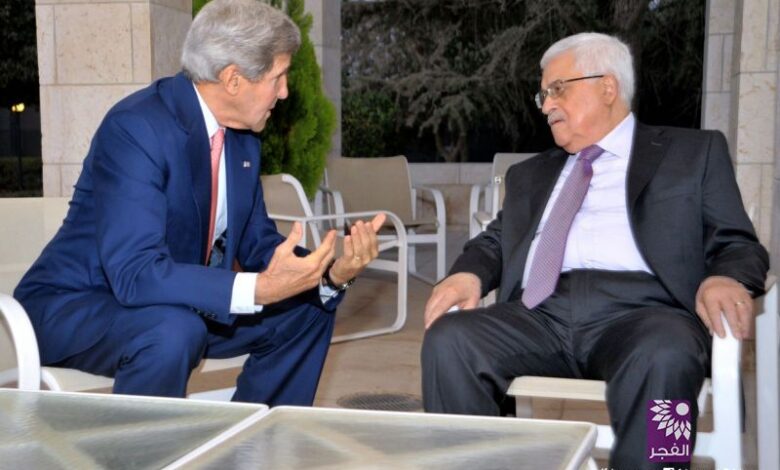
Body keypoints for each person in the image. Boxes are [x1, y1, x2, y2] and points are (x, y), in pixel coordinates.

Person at [421, 32, 768, 469]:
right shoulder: (531, 173)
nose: (546, 105)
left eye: (557, 89)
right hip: (541, 314)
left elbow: (738, 242)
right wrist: (467, 273)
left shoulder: (692, 153)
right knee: (450, 339)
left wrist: (725, 277)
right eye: (543, 95)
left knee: (666, 357)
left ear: (607, 87)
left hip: (650, 315)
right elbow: (497, 239)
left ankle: (666, 463)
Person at [14, 0, 384, 407]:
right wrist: (258, 288)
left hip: (174, 305)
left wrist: (329, 275)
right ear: (233, 79)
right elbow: (135, 273)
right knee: (174, 330)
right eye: (278, 77)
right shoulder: (136, 128)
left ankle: (258, 435)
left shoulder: (242, 139)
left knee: (307, 309)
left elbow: (259, 244)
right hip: (76, 306)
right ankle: (142, 444)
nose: (284, 92)